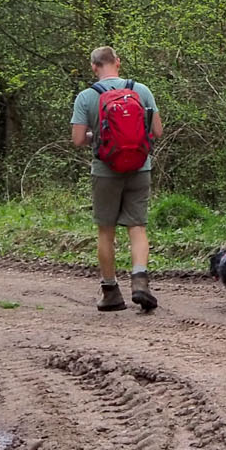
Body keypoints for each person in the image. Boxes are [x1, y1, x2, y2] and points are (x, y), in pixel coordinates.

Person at [70, 46, 163, 313]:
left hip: (105, 171)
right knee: (137, 227)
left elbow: (77, 139)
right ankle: (140, 282)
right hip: (139, 167)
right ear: (118, 63)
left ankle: (111, 291)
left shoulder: (86, 97)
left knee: (106, 231)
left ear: (93, 67)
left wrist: (97, 137)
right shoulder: (141, 91)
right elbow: (156, 131)